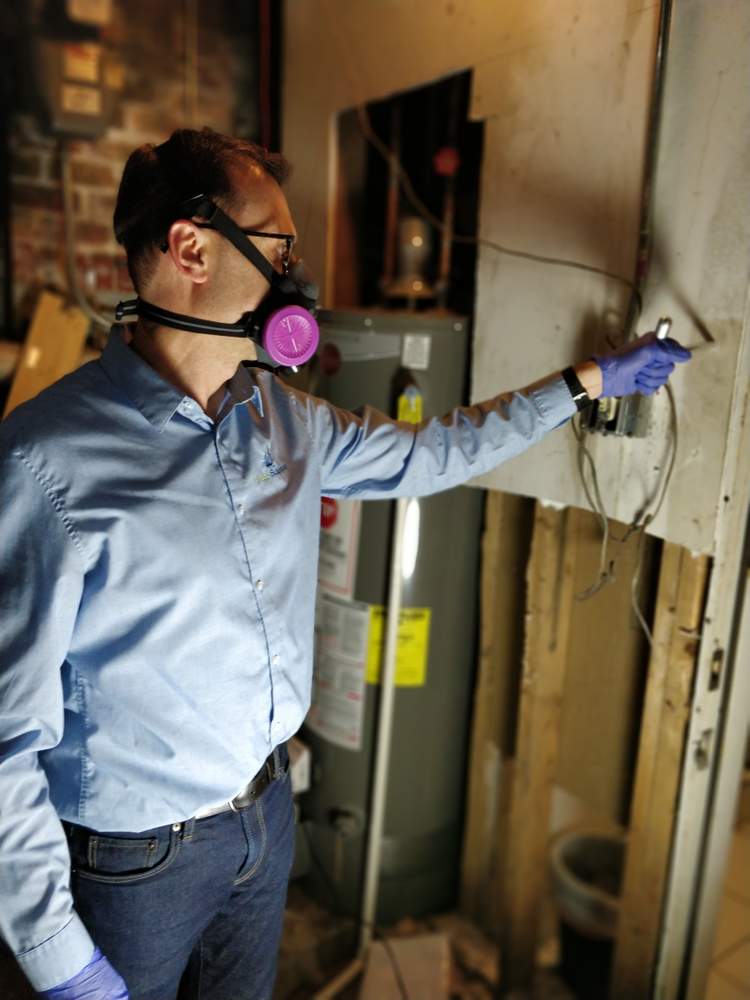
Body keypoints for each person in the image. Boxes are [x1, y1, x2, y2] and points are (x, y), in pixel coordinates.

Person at [0, 127, 691, 1000]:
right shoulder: (45, 460)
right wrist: (58, 956)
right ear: (192, 247)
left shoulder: (283, 420)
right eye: (280, 245)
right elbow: (4, 738)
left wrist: (585, 382)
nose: (300, 274)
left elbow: (437, 452)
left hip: (265, 822)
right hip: (137, 867)